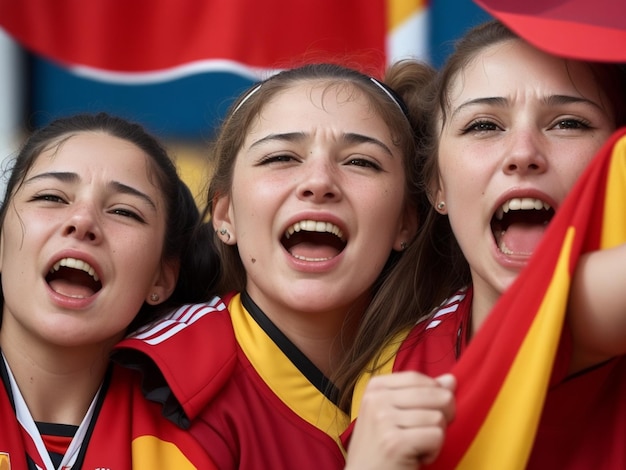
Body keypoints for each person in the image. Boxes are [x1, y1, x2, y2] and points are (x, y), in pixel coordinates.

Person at [111, 61, 437, 469]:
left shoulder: (449, 361)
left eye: (360, 162)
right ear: (224, 215)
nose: (319, 182)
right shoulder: (168, 381)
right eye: (281, 157)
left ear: (406, 222)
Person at [340, 19, 626, 469]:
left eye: (569, 123)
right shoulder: (392, 369)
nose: (523, 152)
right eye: (484, 126)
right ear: (436, 184)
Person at [0, 112, 219, 468]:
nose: (82, 221)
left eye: (124, 211)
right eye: (52, 197)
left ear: (162, 278)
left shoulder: (220, 437)